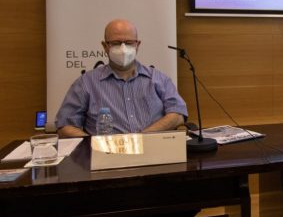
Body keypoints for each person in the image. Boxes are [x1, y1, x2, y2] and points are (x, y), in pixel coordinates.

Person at [55, 19, 188, 136]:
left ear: (138, 45)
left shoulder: (159, 79)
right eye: (116, 43)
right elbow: (65, 125)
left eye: (129, 42)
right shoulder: (86, 83)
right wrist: (92, 145)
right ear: (105, 46)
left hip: (154, 151)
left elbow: (177, 114)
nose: (123, 49)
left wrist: (143, 137)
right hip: (106, 156)